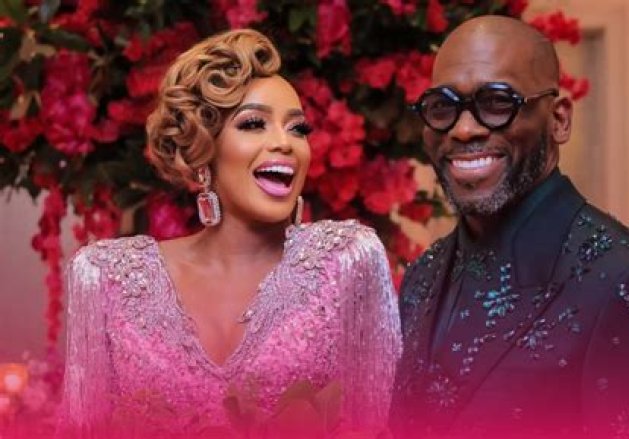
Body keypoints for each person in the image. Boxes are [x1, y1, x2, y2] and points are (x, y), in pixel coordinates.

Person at [55, 28, 401, 438]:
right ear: (204, 149)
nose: (285, 143)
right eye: (253, 123)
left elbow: (379, 425)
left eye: (298, 129)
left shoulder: (346, 260)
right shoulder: (106, 276)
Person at [390, 15, 629, 439]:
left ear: (559, 119)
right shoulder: (423, 275)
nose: (464, 129)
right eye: (443, 107)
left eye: (497, 102)